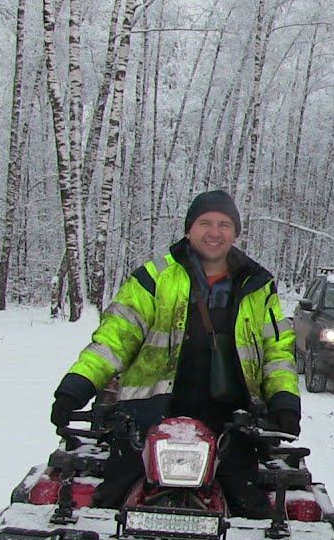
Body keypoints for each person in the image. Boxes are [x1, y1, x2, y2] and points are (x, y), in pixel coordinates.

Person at [49, 190, 300, 517]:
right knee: (109, 504)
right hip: (147, 414)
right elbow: (116, 337)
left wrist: (284, 399)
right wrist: (77, 385)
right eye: (205, 222)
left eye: (224, 224)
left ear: (236, 233)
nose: (214, 232)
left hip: (231, 420)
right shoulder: (155, 277)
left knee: (250, 510)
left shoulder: (258, 285)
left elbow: (276, 351)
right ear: (188, 229)